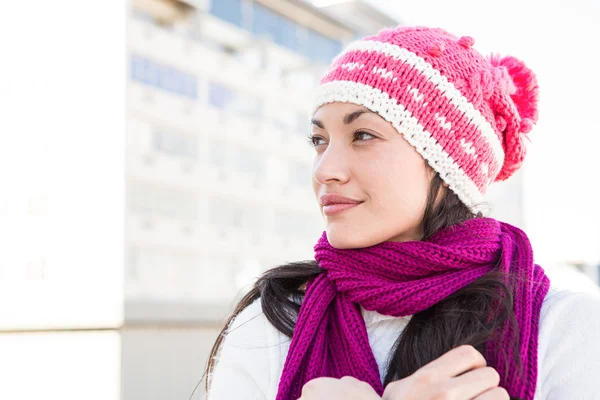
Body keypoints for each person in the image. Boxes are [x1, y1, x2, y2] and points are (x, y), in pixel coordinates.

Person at [203, 26, 600, 400]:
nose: (324, 170)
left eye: (363, 136)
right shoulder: (271, 323)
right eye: (319, 140)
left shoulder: (563, 327)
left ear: (447, 168)